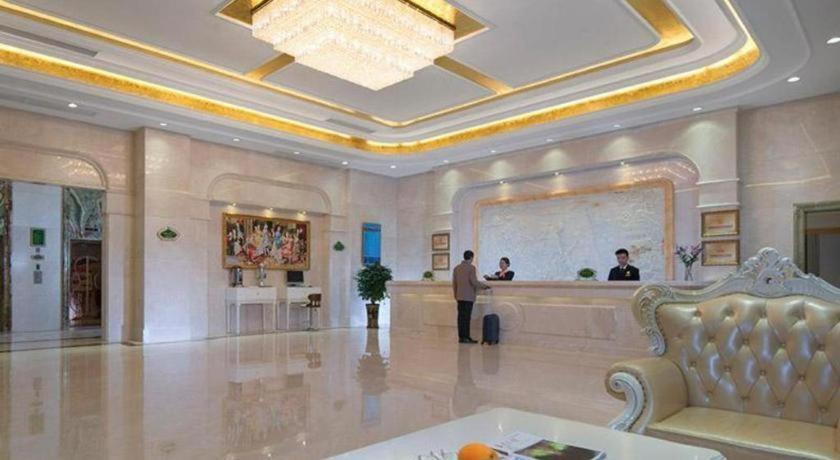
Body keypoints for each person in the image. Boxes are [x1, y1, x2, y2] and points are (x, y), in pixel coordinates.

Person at [452, 250, 491, 343]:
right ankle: (466, 337)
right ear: (471, 257)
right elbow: (474, 282)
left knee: (460, 318)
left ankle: (461, 337)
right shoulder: (471, 268)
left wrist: (456, 295)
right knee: (466, 318)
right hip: (468, 297)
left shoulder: (456, 268)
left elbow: (454, 283)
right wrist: (485, 286)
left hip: (459, 296)